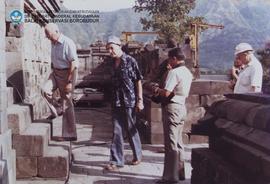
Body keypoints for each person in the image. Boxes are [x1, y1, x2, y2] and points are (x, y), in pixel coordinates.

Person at [152, 48, 193, 184]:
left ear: (174, 58)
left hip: (172, 108)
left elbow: (167, 93)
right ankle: (180, 172)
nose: (169, 61)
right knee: (179, 142)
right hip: (182, 107)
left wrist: (156, 89)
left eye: (170, 59)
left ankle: (170, 177)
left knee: (170, 143)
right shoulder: (187, 72)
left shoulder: (174, 72)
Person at [104, 36, 144, 171]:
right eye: (108, 49)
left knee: (131, 128)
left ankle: (137, 155)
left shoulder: (130, 61)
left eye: (112, 48)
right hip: (116, 101)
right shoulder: (110, 62)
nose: (110, 51)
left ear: (119, 46)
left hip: (129, 101)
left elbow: (138, 81)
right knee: (116, 130)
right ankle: (116, 160)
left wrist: (140, 100)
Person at [41, 23, 78, 141]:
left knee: (67, 102)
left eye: (48, 34)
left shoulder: (68, 43)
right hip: (55, 72)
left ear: (56, 31)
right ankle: (57, 109)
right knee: (45, 90)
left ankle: (70, 134)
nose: (47, 37)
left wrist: (70, 82)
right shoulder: (53, 43)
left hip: (67, 73)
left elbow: (74, 63)